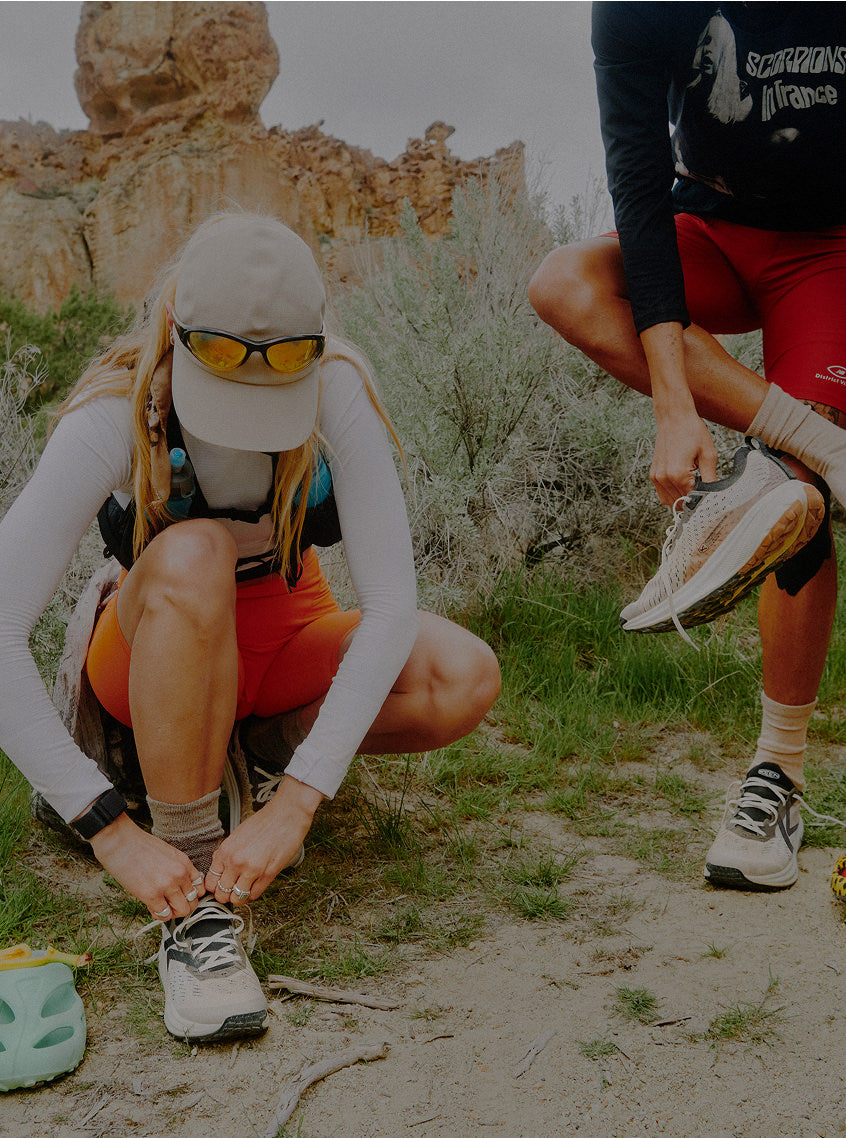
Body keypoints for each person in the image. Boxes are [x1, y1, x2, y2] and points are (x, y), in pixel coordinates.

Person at [0, 213, 501, 1042]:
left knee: (462, 676)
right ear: (174, 327)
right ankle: (195, 900)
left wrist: (299, 801)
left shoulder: (337, 386)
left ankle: (261, 761)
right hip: (157, 643)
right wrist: (110, 832)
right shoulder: (113, 414)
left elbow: (390, 606)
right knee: (195, 552)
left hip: (286, 629)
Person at [529, 3, 846, 891]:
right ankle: (821, 446)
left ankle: (777, 774)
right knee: (564, 284)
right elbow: (637, 187)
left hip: (830, 248)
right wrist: (675, 407)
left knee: (788, 493)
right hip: (703, 229)